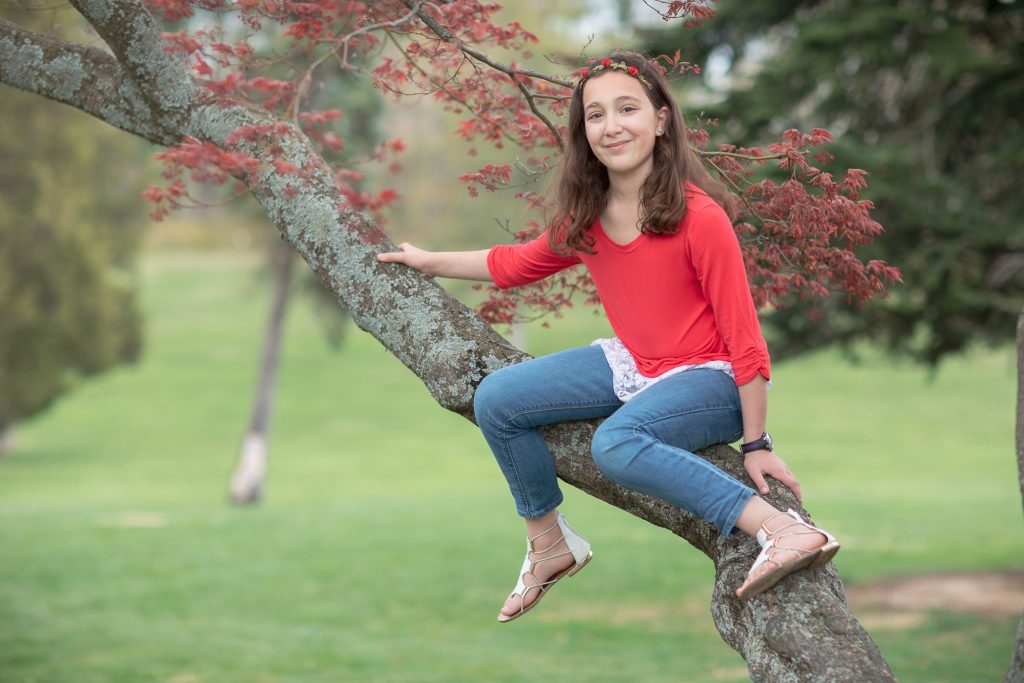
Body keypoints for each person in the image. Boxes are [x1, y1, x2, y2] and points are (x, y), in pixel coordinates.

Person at [377, 51, 839, 623]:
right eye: (596, 115)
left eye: (627, 108)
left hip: (711, 380)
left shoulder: (701, 217)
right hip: (638, 364)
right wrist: (428, 262)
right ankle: (549, 544)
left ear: (661, 119)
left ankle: (780, 529)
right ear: (584, 132)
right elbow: (516, 264)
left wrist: (756, 442)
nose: (612, 125)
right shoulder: (588, 215)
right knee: (497, 398)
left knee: (616, 444)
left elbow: (746, 340)